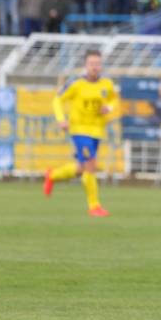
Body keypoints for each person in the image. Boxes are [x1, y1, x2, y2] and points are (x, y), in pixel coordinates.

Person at [43, 50, 118, 217]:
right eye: (91, 63)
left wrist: (109, 108)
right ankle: (94, 206)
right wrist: (61, 119)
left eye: (97, 63)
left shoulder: (107, 84)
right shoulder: (76, 84)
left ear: (101, 65)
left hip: (97, 131)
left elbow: (113, 99)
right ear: (85, 66)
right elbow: (57, 100)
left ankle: (52, 175)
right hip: (79, 131)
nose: (95, 67)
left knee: (80, 168)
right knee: (91, 165)